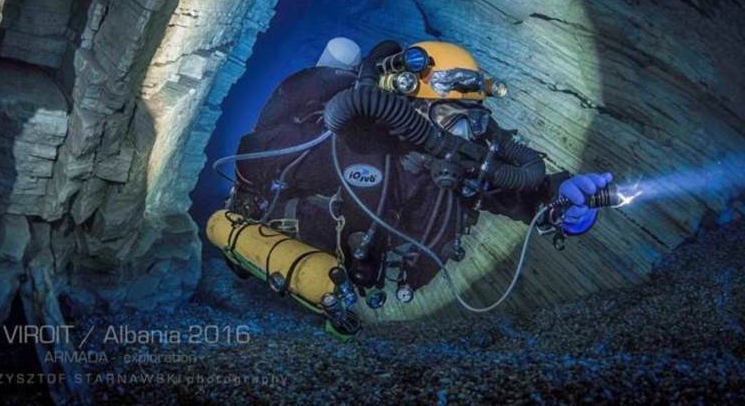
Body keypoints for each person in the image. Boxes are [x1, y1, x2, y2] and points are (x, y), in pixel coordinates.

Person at [227, 39, 613, 305]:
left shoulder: (464, 171)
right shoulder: (353, 147)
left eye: (473, 121)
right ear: (410, 110)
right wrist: (246, 200)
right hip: (305, 239)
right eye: (449, 118)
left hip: (364, 270)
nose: (463, 137)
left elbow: (523, 196)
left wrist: (562, 202)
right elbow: (255, 153)